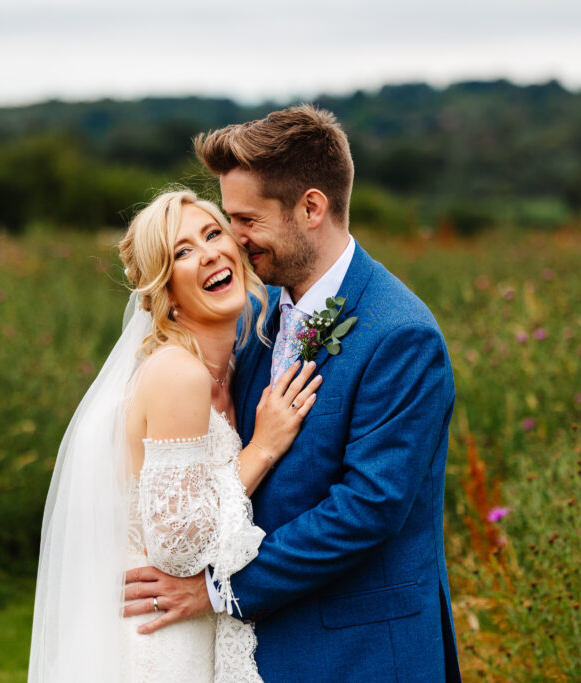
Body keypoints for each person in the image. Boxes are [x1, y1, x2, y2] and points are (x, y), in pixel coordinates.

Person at [124, 106, 463, 682]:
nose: (234, 239)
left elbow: (367, 509)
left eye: (246, 220)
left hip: (362, 653)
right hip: (260, 648)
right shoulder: (253, 316)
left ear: (311, 207)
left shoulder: (400, 335)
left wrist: (219, 591)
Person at [28, 189, 322, 681]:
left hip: (196, 624)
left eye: (213, 234)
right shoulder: (177, 374)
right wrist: (263, 448)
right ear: (164, 290)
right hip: (160, 638)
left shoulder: (232, 365)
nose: (208, 253)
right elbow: (179, 544)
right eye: (182, 252)